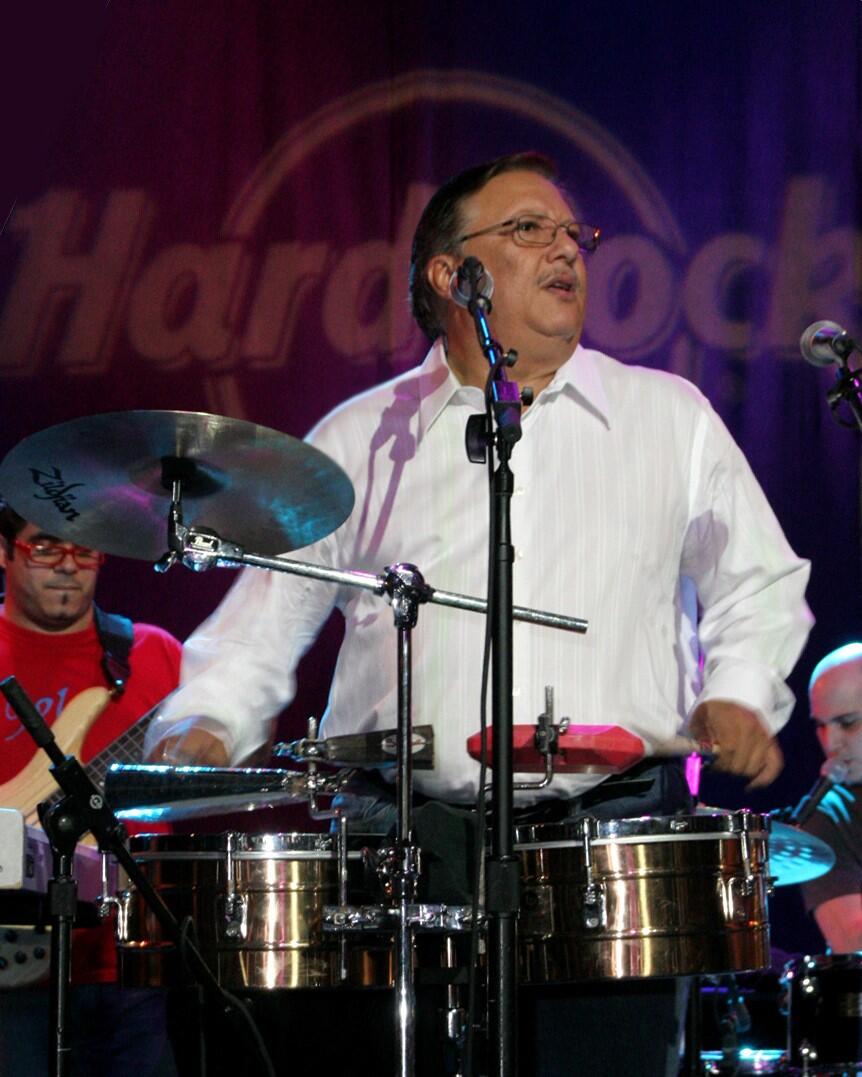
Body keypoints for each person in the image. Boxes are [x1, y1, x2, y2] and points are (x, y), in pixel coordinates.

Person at [144, 152, 812, 1076]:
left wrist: (739, 691)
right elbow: (264, 620)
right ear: (450, 273)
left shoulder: (669, 416)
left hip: (605, 850)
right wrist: (208, 723)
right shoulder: (362, 436)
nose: (566, 250)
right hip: (403, 850)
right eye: (529, 229)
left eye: (573, 233)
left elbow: (759, 580)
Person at [0, 498, 183, 1077]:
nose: (67, 564)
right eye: (45, 546)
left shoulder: (156, 655)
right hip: (13, 969)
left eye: (84, 549)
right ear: (2, 551)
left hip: (130, 966)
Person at [799, 643, 862, 953]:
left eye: (848, 723)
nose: (831, 741)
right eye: (821, 726)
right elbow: (851, 939)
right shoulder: (826, 816)